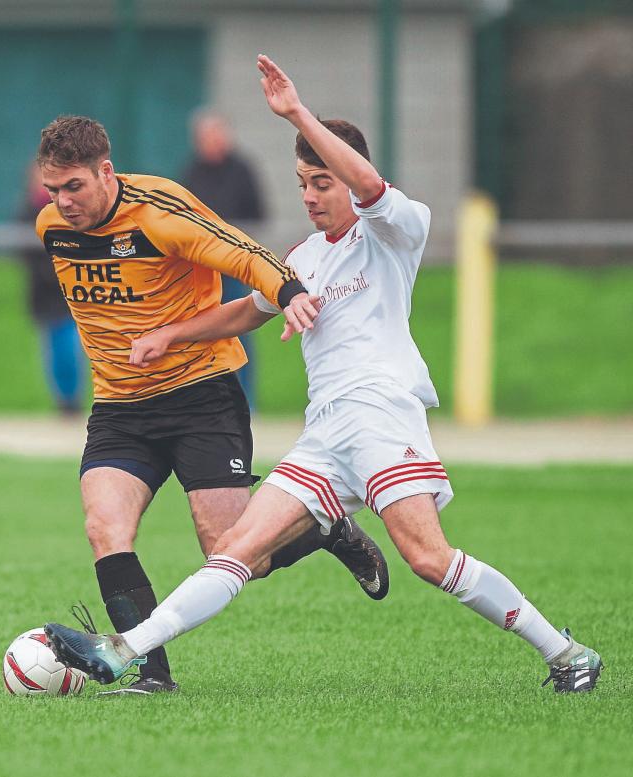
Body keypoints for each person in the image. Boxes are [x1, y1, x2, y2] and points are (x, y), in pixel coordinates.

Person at [44, 55, 603, 694]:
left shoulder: (393, 231)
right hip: (327, 429)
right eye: (303, 183)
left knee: (427, 558)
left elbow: (369, 185)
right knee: (234, 553)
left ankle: (565, 652)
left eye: (321, 183)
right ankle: (125, 652)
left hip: (382, 412)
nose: (310, 195)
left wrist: (295, 113)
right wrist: (172, 333)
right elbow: (244, 312)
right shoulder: (304, 257)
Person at [34, 114, 389, 695]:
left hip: (202, 396)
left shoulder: (161, 212)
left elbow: (244, 253)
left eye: (74, 186)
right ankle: (150, 673)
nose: (62, 202)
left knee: (231, 551)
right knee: (105, 527)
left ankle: (329, 530)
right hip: (121, 409)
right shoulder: (51, 227)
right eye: (53, 190)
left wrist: (290, 292)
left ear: (106, 171)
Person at [182, 110, 266, 407]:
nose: (212, 142)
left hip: (234, 265)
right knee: (201, 330)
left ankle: (246, 399)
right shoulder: (191, 172)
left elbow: (258, 213)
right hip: (203, 267)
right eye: (206, 137)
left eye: (216, 135)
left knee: (239, 327)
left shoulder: (242, 170)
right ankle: (208, 397)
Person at [18, 162, 86, 416]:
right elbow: (26, 254)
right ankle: (64, 400)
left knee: (70, 346)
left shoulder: (70, 209)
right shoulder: (28, 212)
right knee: (54, 349)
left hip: (70, 289)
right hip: (45, 291)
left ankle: (73, 398)